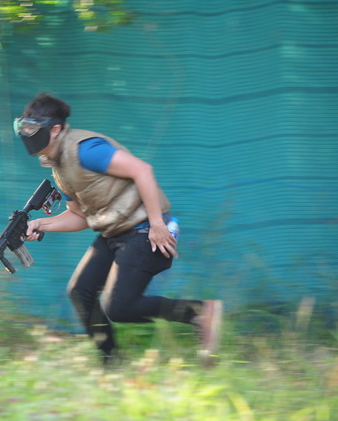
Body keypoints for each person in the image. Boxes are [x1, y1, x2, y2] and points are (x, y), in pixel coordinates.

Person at [15, 92, 222, 365]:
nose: (27, 134)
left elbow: (142, 170)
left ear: (54, 130)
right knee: (80, 291)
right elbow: (79, 216)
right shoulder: (59, 165)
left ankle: (199, 312)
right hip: (115, 231)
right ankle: (112, 363)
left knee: (119, 306)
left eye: (32, 128)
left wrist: (157, 224)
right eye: (24, 127)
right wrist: (40, 224)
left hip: (144, 227)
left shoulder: (85, 149)